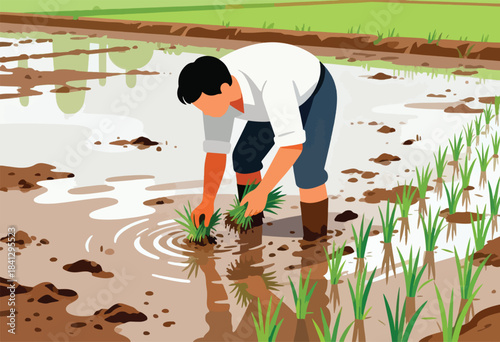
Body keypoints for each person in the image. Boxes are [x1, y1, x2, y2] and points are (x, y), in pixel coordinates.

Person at [177, 42, 337, 241]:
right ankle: (251, 232)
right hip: (266, 105)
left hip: (313, 91)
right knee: (244, 158)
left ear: (225, 88)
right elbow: (216, 153)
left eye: (207, 106)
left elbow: (291, 147)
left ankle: (316, 243)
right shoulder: (210, 94)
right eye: (200, 108)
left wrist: (262, 191)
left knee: (307, 172)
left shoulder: (274, 87)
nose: (206, 113)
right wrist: (207, 201)